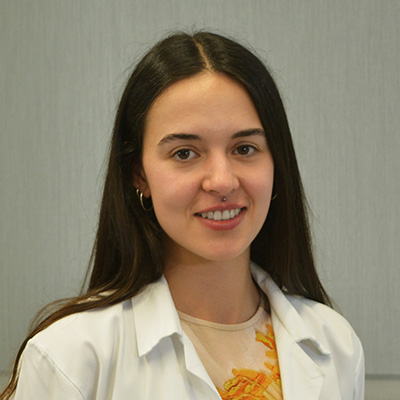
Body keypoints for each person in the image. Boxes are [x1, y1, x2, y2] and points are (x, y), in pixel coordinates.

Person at [1, 31, 364, 400]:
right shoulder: (69, 358)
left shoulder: (337, 345)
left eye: (244, 148)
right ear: (139, 174)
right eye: (185, 153)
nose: (222, 181)